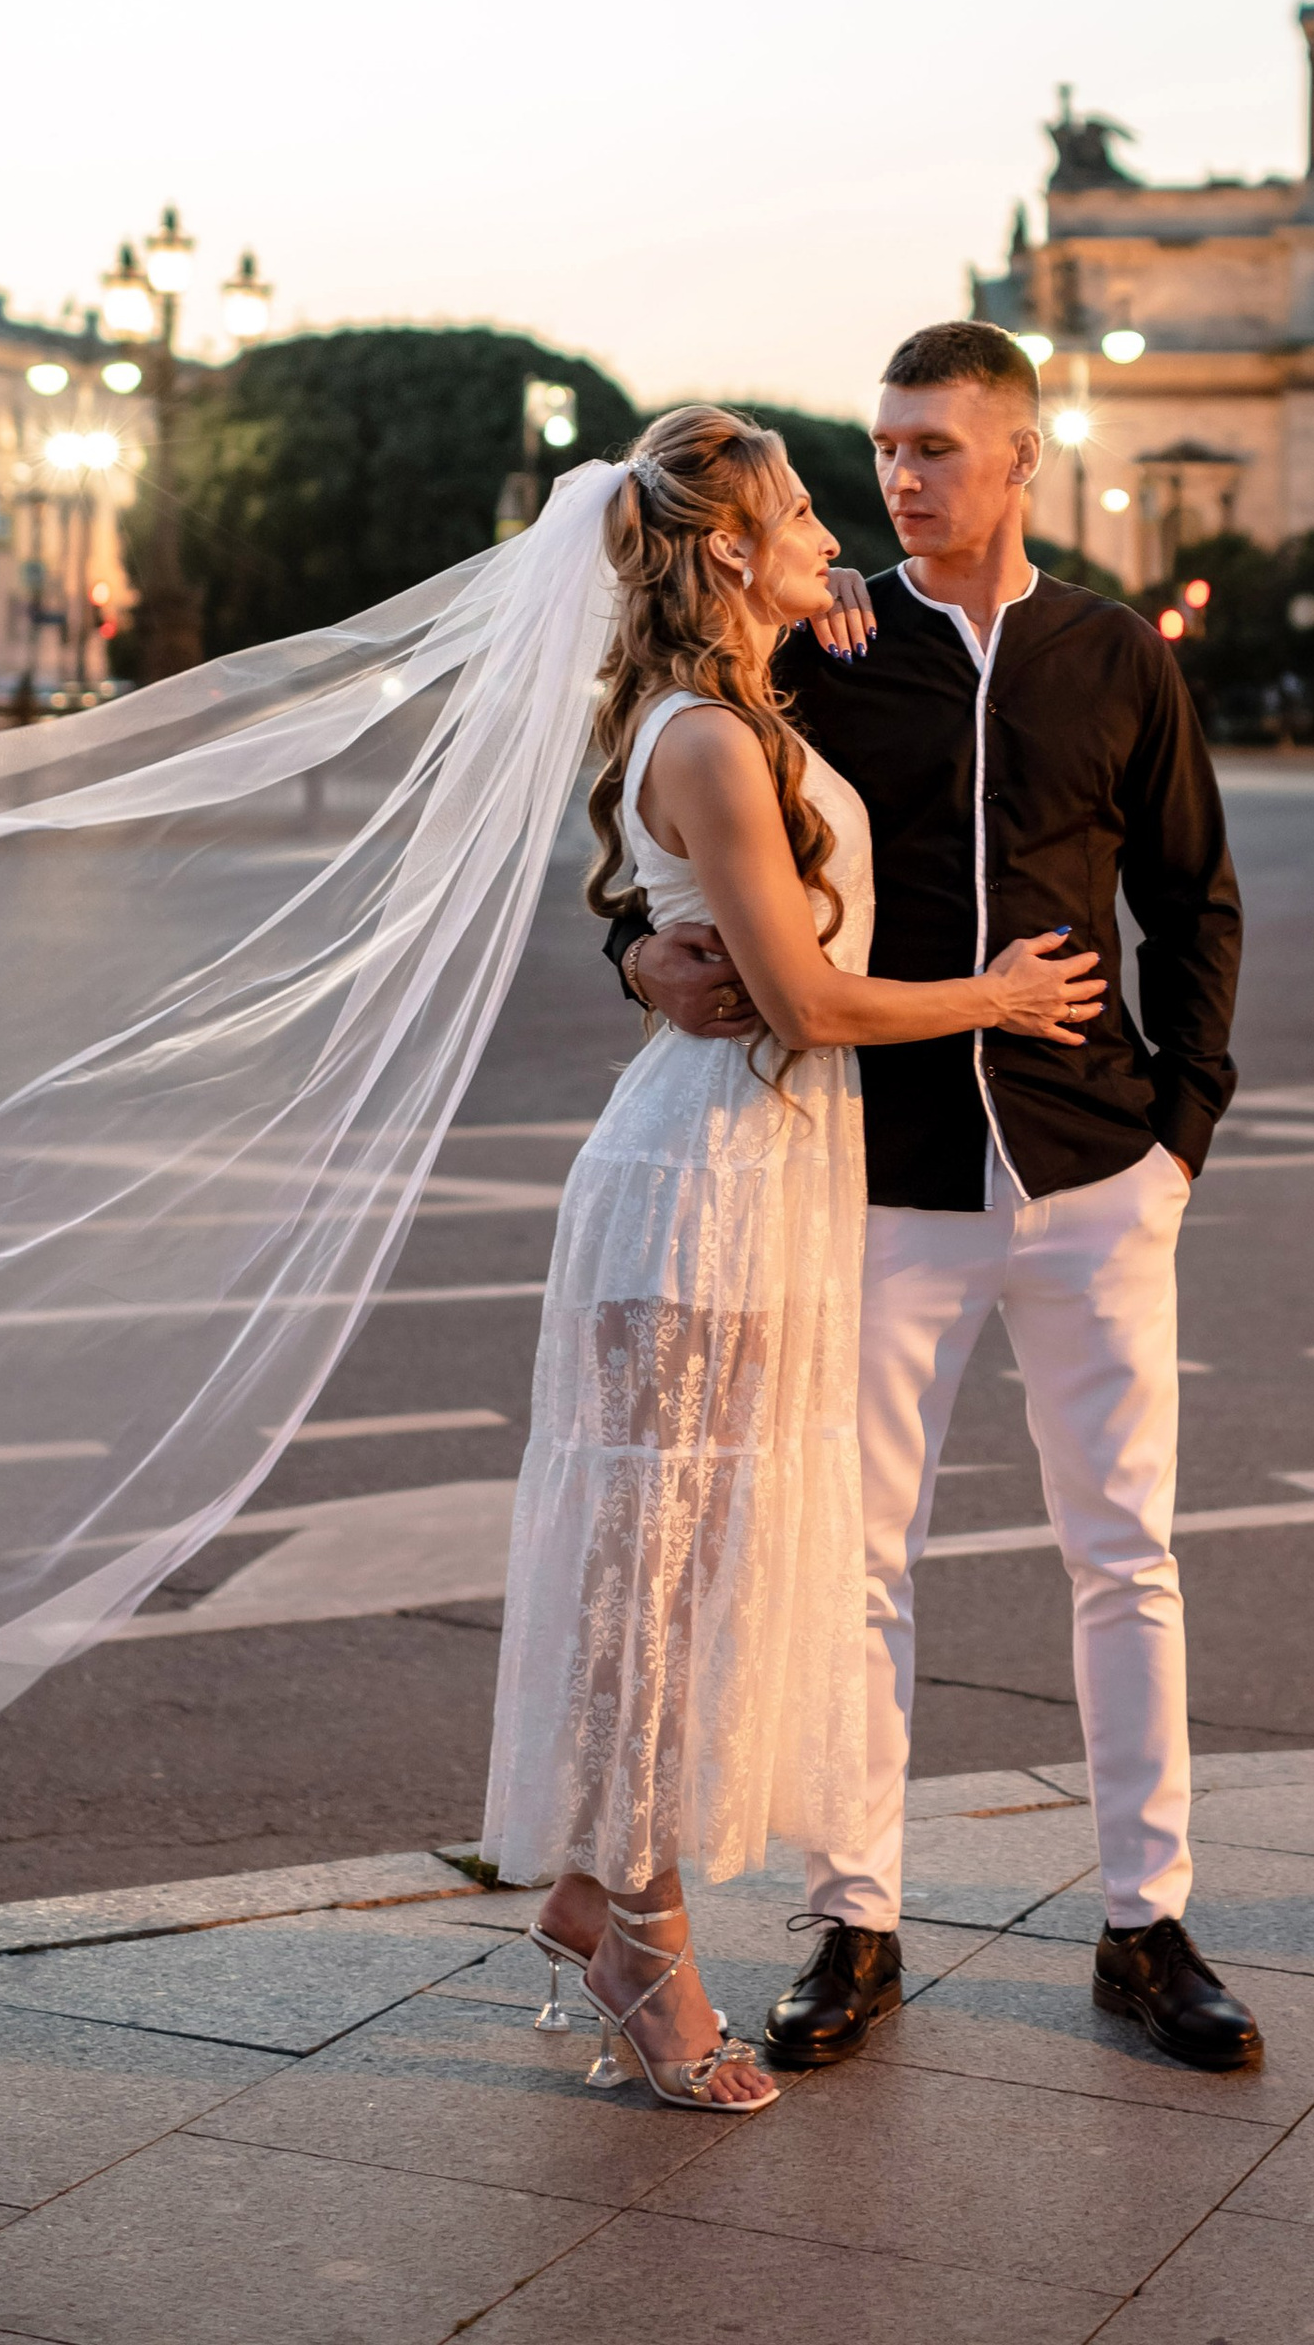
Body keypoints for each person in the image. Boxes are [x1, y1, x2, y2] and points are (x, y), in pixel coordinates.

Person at [612, 322, 1260, 2075]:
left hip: (1093, 1168)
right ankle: (858, 1923)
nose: (900, 478)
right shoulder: (820, 649)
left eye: (936, 449)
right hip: (880, 1174)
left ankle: (1148, 1924)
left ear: (1022, 458)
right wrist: (635, 959)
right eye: (887, 447)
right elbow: (671, 849)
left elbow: (1193, 900)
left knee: (1125, 1552)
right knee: (858, 1566)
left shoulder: (1114, 654)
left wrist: (1179, 1138)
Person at [480, 402, 1101, 2110]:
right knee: (655, 1584)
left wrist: (806, 610)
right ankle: (646, 1948)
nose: (845, 528)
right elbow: (809, 1000)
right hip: (700, 1183)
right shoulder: (705, 736)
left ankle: (592, 1892)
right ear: (731, 548)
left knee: (687, 1566)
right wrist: (997, 998)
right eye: (807, 511)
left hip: (763, 1169)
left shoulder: (743, 703)